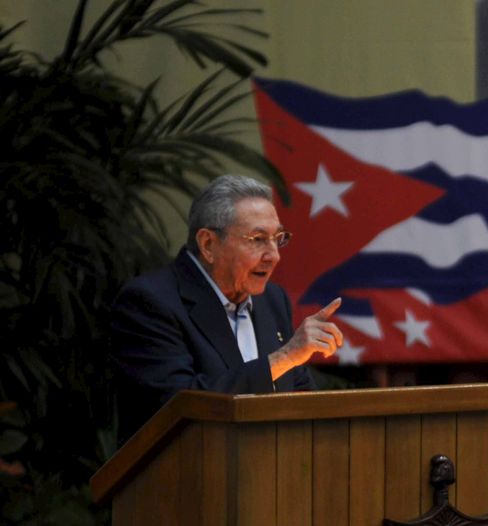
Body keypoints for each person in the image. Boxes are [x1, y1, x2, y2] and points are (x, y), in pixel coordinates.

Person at [111, 174, 343, 441]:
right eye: (257, 239)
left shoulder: (272, 300)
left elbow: (301, 396)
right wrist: (284, 357)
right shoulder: (149, 302)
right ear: (208, 244)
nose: (274, 256)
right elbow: (178, 406)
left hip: (272, 473)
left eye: (277, 239)